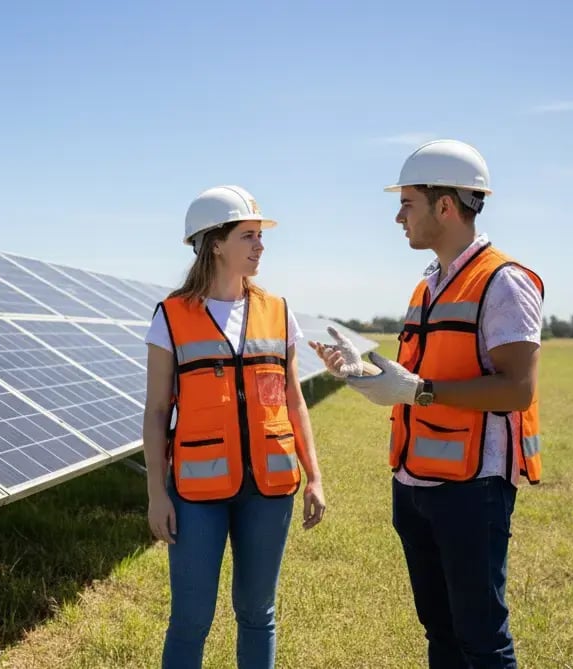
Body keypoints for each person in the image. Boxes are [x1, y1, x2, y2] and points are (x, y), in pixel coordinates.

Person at [309, 139, 544, 668]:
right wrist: (362, 370)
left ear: (444, 206)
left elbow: (517, 389)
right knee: (440, 630)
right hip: (415, 483)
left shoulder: (504, 282)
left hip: (472, 489)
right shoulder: (429, 285)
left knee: (481, 640)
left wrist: (420, 392)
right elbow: (417, 375)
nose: (398, 217)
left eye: (407, 203)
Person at [142, 184, 327, 669]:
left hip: (269, 487)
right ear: (215, 243)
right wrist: (157, 493)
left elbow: (293, 400)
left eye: (261, 236)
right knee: (190, 619)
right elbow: (157, 411)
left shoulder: (278, 312)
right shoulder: (171, 317)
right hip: (196, 493)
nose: (260, 245)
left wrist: (315, 476)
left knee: (258, 613)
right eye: (248, 235)